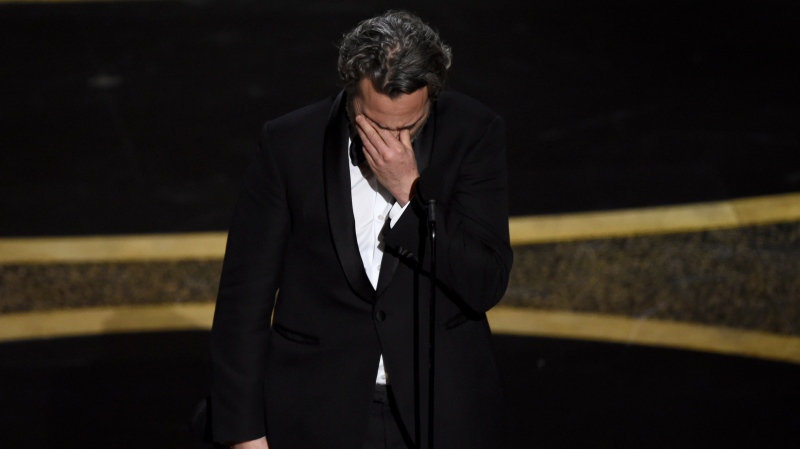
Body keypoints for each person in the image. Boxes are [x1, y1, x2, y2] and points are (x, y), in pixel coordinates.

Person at [209, 10, 513, 449]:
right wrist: (244, 433)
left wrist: (410, 192)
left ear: (433, 96)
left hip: (442, 412)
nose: (393, 145)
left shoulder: (474, 134)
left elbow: (484, 283)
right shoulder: (288, 144)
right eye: (376, 126)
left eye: (409, 126)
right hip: (318, 411)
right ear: (351, 92)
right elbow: (244, 301)